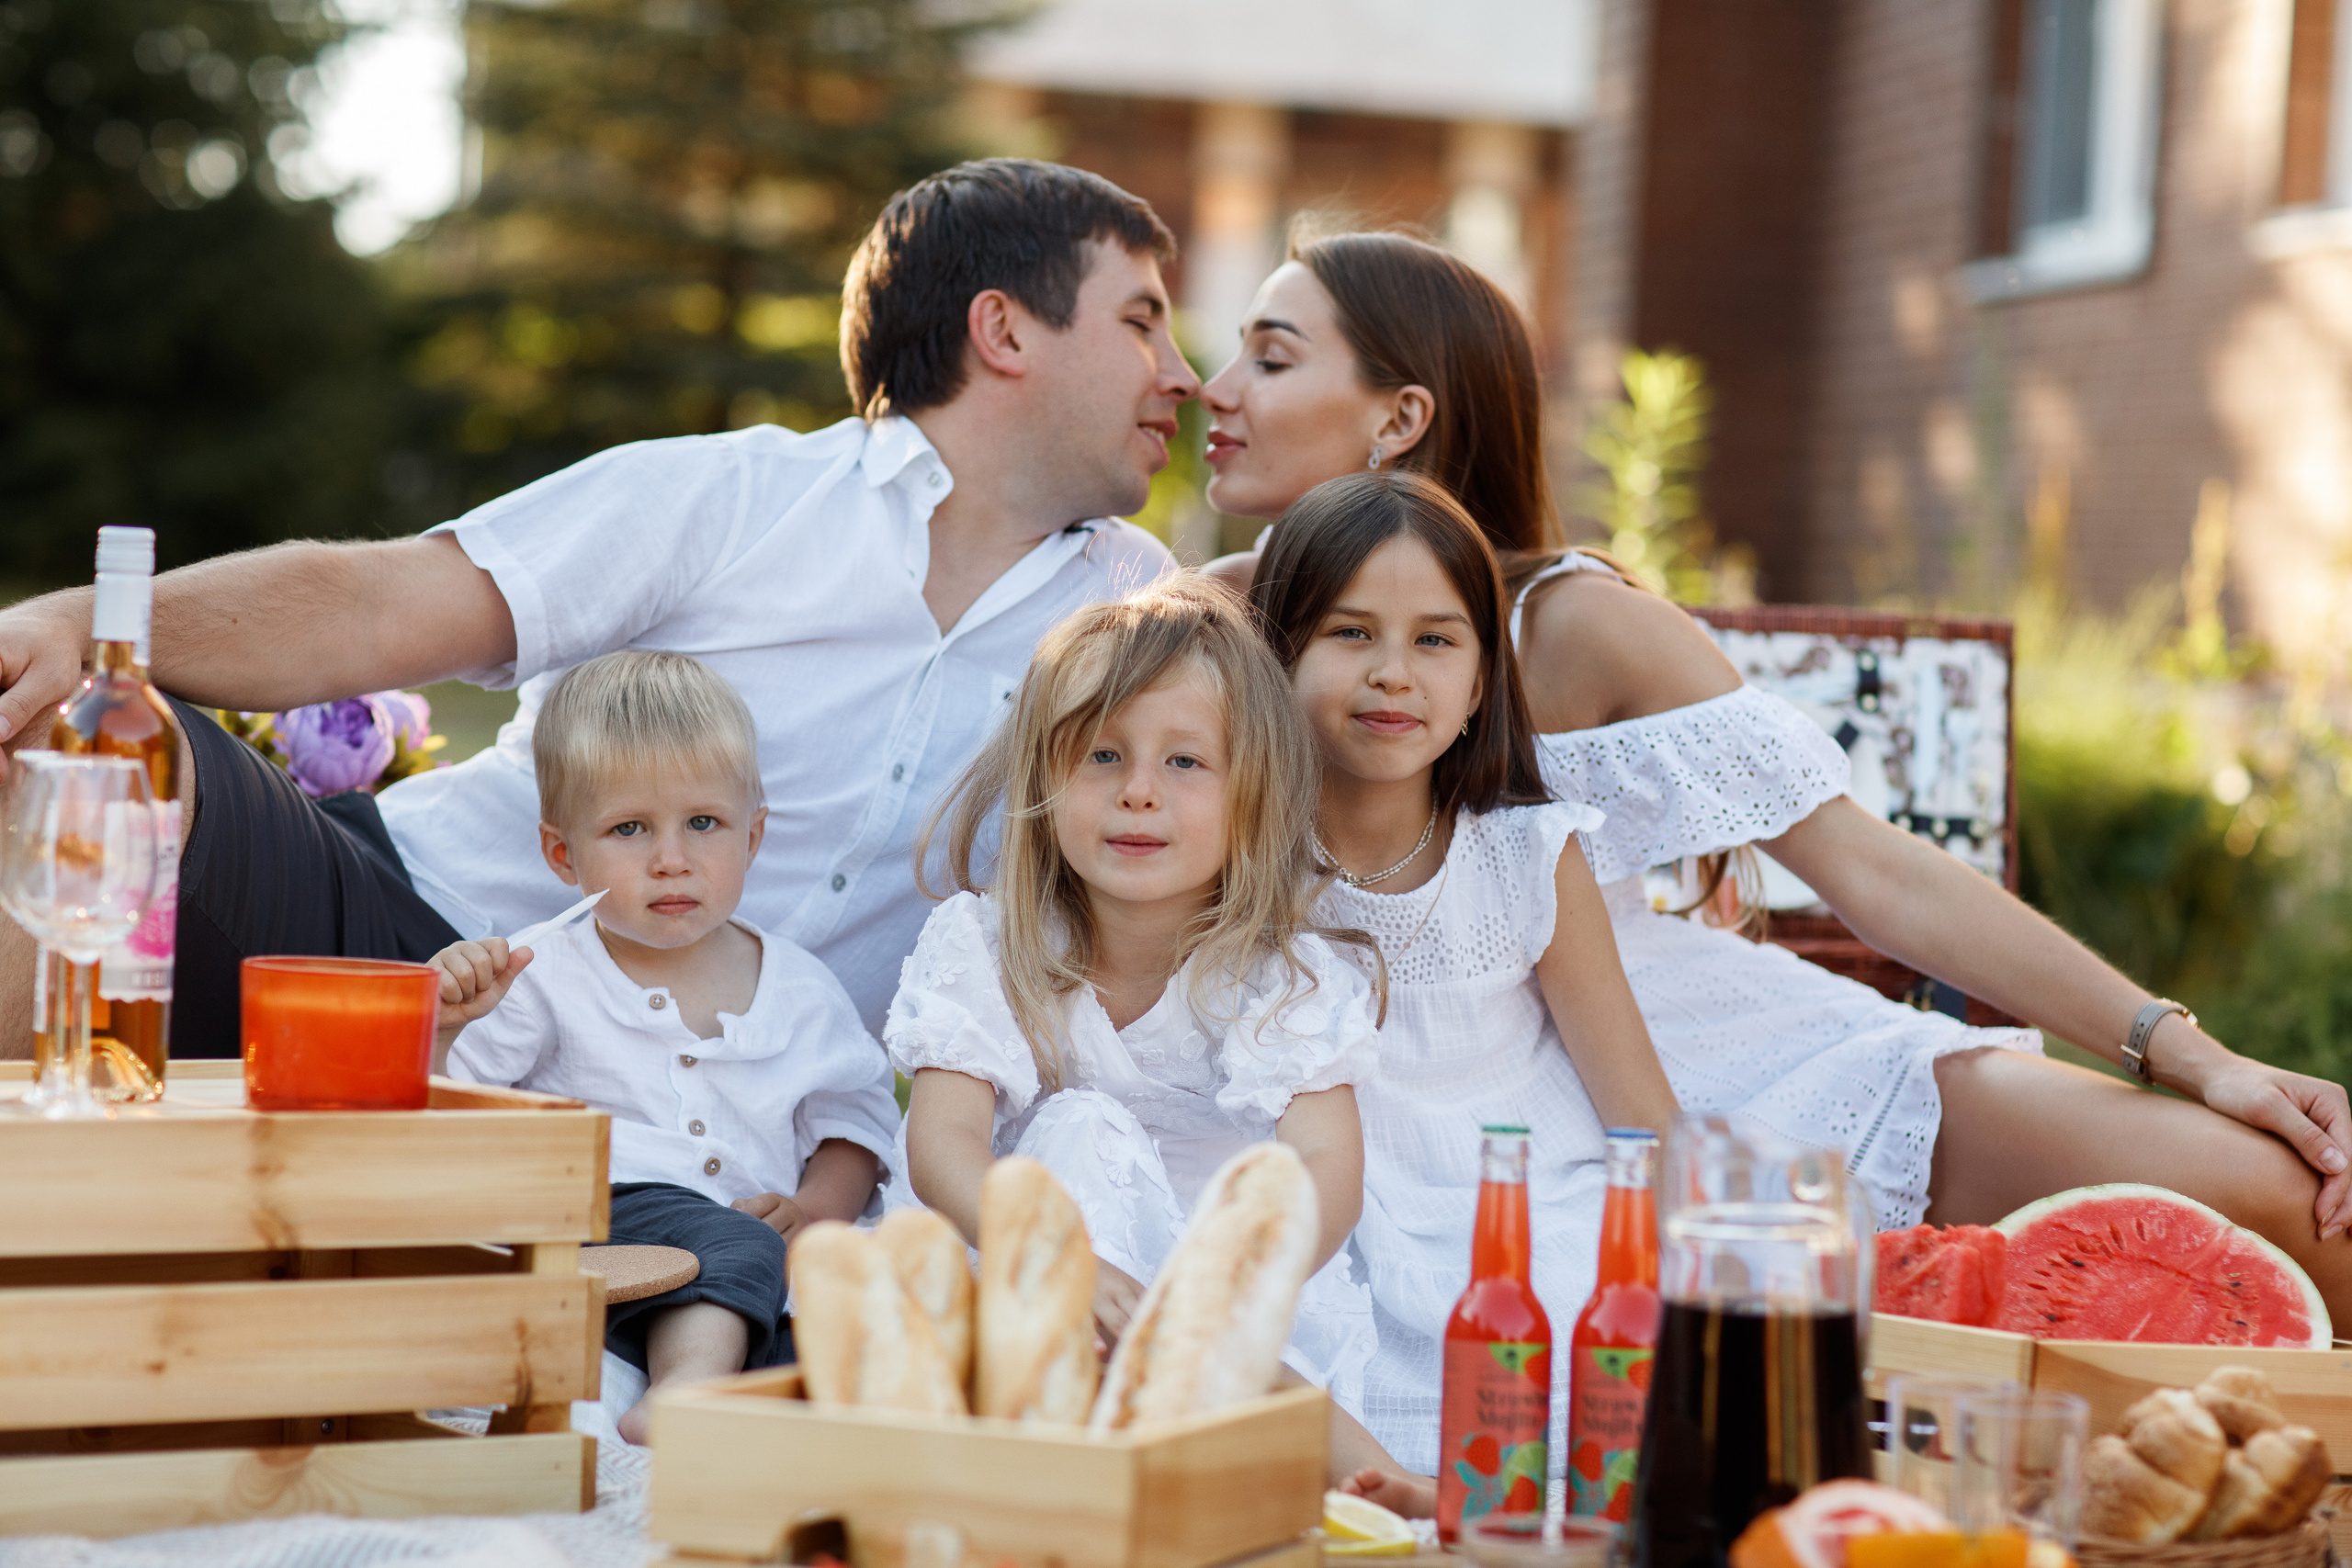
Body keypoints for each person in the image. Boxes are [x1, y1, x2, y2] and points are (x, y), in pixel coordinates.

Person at [1201, 227, 2352, 1315]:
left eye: (1269, 356)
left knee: (2298, 1209)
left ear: (1400, 416)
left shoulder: (1568, 624)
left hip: (1708, 1058)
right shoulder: (1197, 624)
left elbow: (1879, 877)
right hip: (1396, 1109)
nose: (1216, 388)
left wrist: (2191, 1056)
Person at [0, 157, 1198, 1054]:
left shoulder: (1151, 615)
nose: (1185, 376)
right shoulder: (734, 495)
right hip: (388, 926)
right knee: (78, 758)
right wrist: (80, 630)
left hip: (701, 1102)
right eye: (1142, 321)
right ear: (1004, 330)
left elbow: (1354, 604)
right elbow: (377, 602)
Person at [1253, 470, 1676, 1512]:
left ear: (1484, 679)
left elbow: (1642, 1117)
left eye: (1436, 641)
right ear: (1272, 657)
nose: (1393, 675)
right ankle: (1405, 1504)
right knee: (1285, 1325)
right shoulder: (1241, 861)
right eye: (1349, 634)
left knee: (1585, 1325)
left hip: (1527, 1209)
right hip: (1339, 1211)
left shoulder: (1527, 855)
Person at [887, 578, 1378, 1400]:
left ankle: (1202, 1420)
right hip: (1015, 1268)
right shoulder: (987, 942)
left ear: (1252, 792)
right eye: (1102, 754)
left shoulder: (1281, 973)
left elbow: (1327, 1164)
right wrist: (1050, 1253)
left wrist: (1233, 1281)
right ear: (1043, 781)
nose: (1138, 789)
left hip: (1205, 1287)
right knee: (1080, 1125)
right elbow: (943, 1145)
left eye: (1184, 761)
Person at [429, 650, 898, 1446]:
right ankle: (689, 1388)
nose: (670, 857)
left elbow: (853, 1123)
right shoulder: (541, 972)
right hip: (603, 1230)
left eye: (703, 823)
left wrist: (818, 1211)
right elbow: (447, 1112)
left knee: (840, 1287)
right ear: (563, 854)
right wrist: (445, 1027)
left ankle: (725, 1401)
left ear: (753, 835)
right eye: (629, 828)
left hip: (752, 1263)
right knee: (728, 1238)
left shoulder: (800, 989)